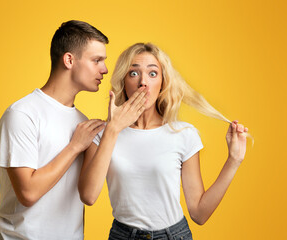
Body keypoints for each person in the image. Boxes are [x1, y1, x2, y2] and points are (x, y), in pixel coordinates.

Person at [78, 43, 249, 240]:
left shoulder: (184, 134)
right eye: (133, 73)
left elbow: (199, 214)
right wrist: (113, 129)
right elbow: (88, 196)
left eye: (152, 74)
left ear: (162, 83)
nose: (143, 82)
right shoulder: (103, 134)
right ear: (123, 81)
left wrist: (233, 161)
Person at [0, 20, 108, 240]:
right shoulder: (22, 114)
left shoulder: (83, 123)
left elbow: (89, 195)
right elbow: (28, 193)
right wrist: (74, 147)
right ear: (69, 60)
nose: (105, 69)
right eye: (96, 60)